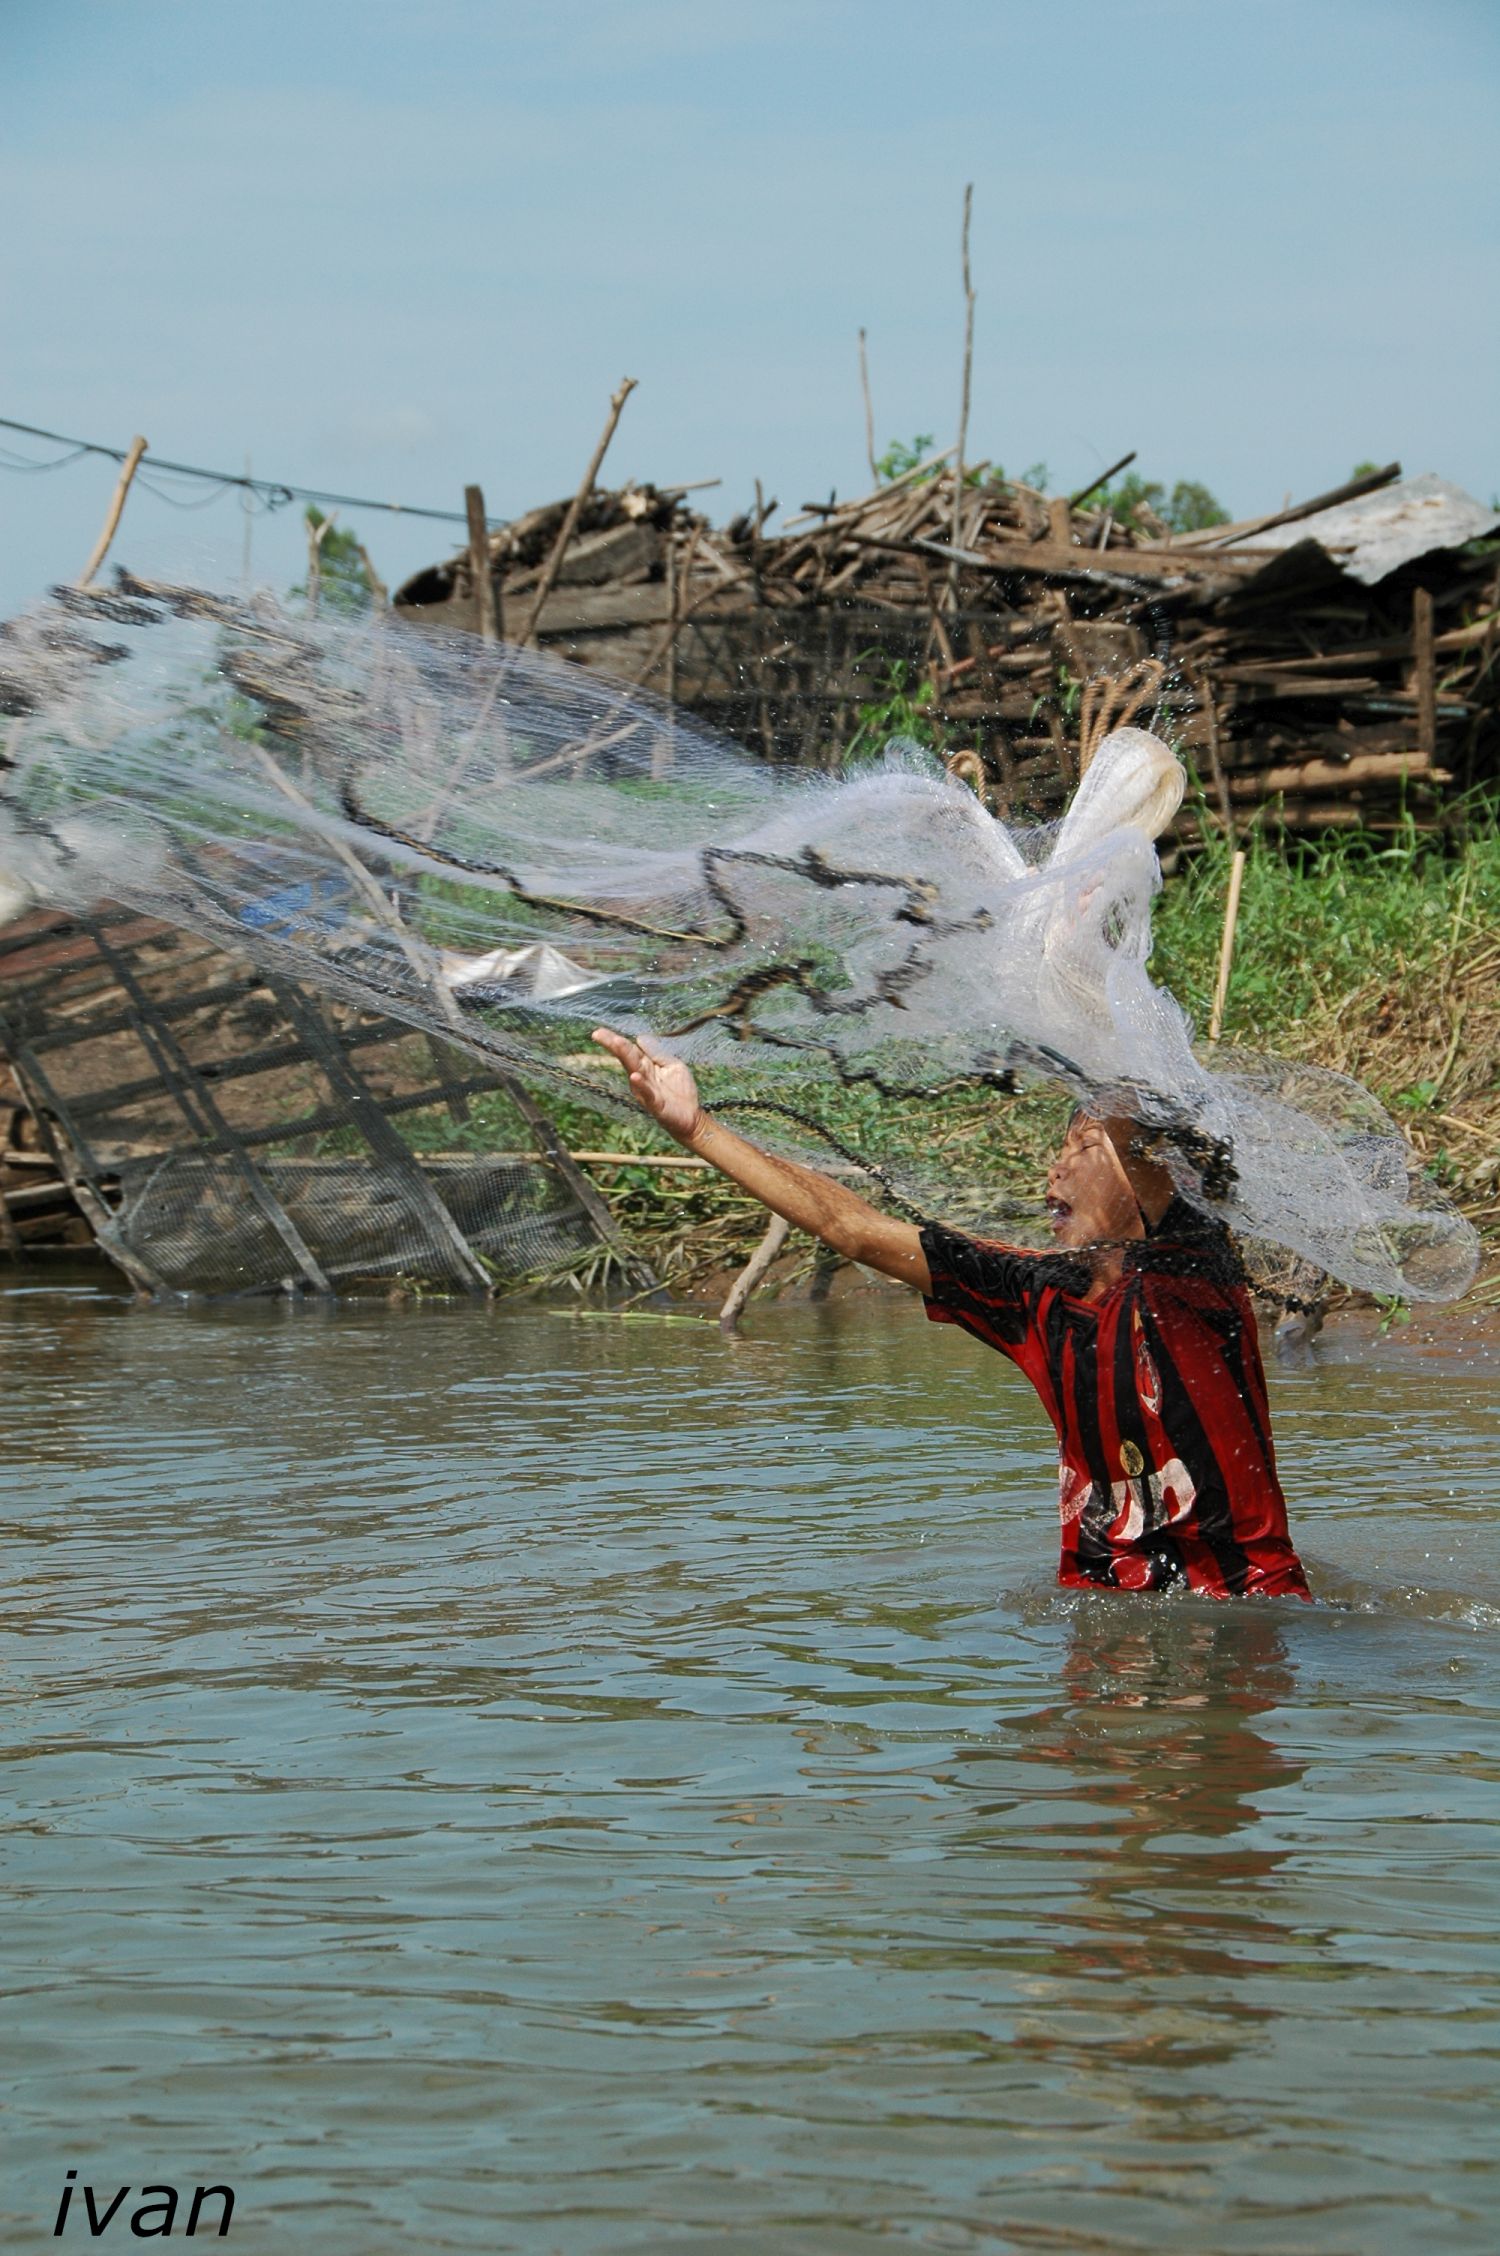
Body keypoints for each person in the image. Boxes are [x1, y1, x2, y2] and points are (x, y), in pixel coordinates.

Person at [593, 1026, 1311, 1602]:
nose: (1054, 1170)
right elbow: (854, 1231)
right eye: (1056, 1151)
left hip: (1243, 1606)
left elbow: (1143, 1113)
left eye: (1082, 1148)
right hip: (1103, 1615)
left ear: (1152, 1173)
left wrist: (1078, 952)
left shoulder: (1197, 1275)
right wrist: (694, 1127)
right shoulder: (1037, 1295)